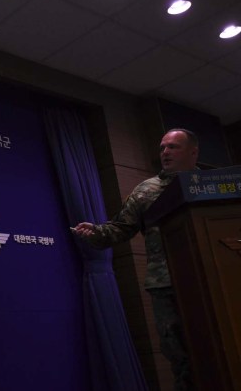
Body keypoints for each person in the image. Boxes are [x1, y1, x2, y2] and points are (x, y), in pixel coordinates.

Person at [72, 128, 199, 391]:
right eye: (163, 147)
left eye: (173, 147)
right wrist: (95, 232)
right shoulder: (146, 190)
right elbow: (120, 229)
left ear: (193, 152)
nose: (165, 152)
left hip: (216, 277)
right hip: (166, 283)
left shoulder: (215, 185)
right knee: (180, 354)